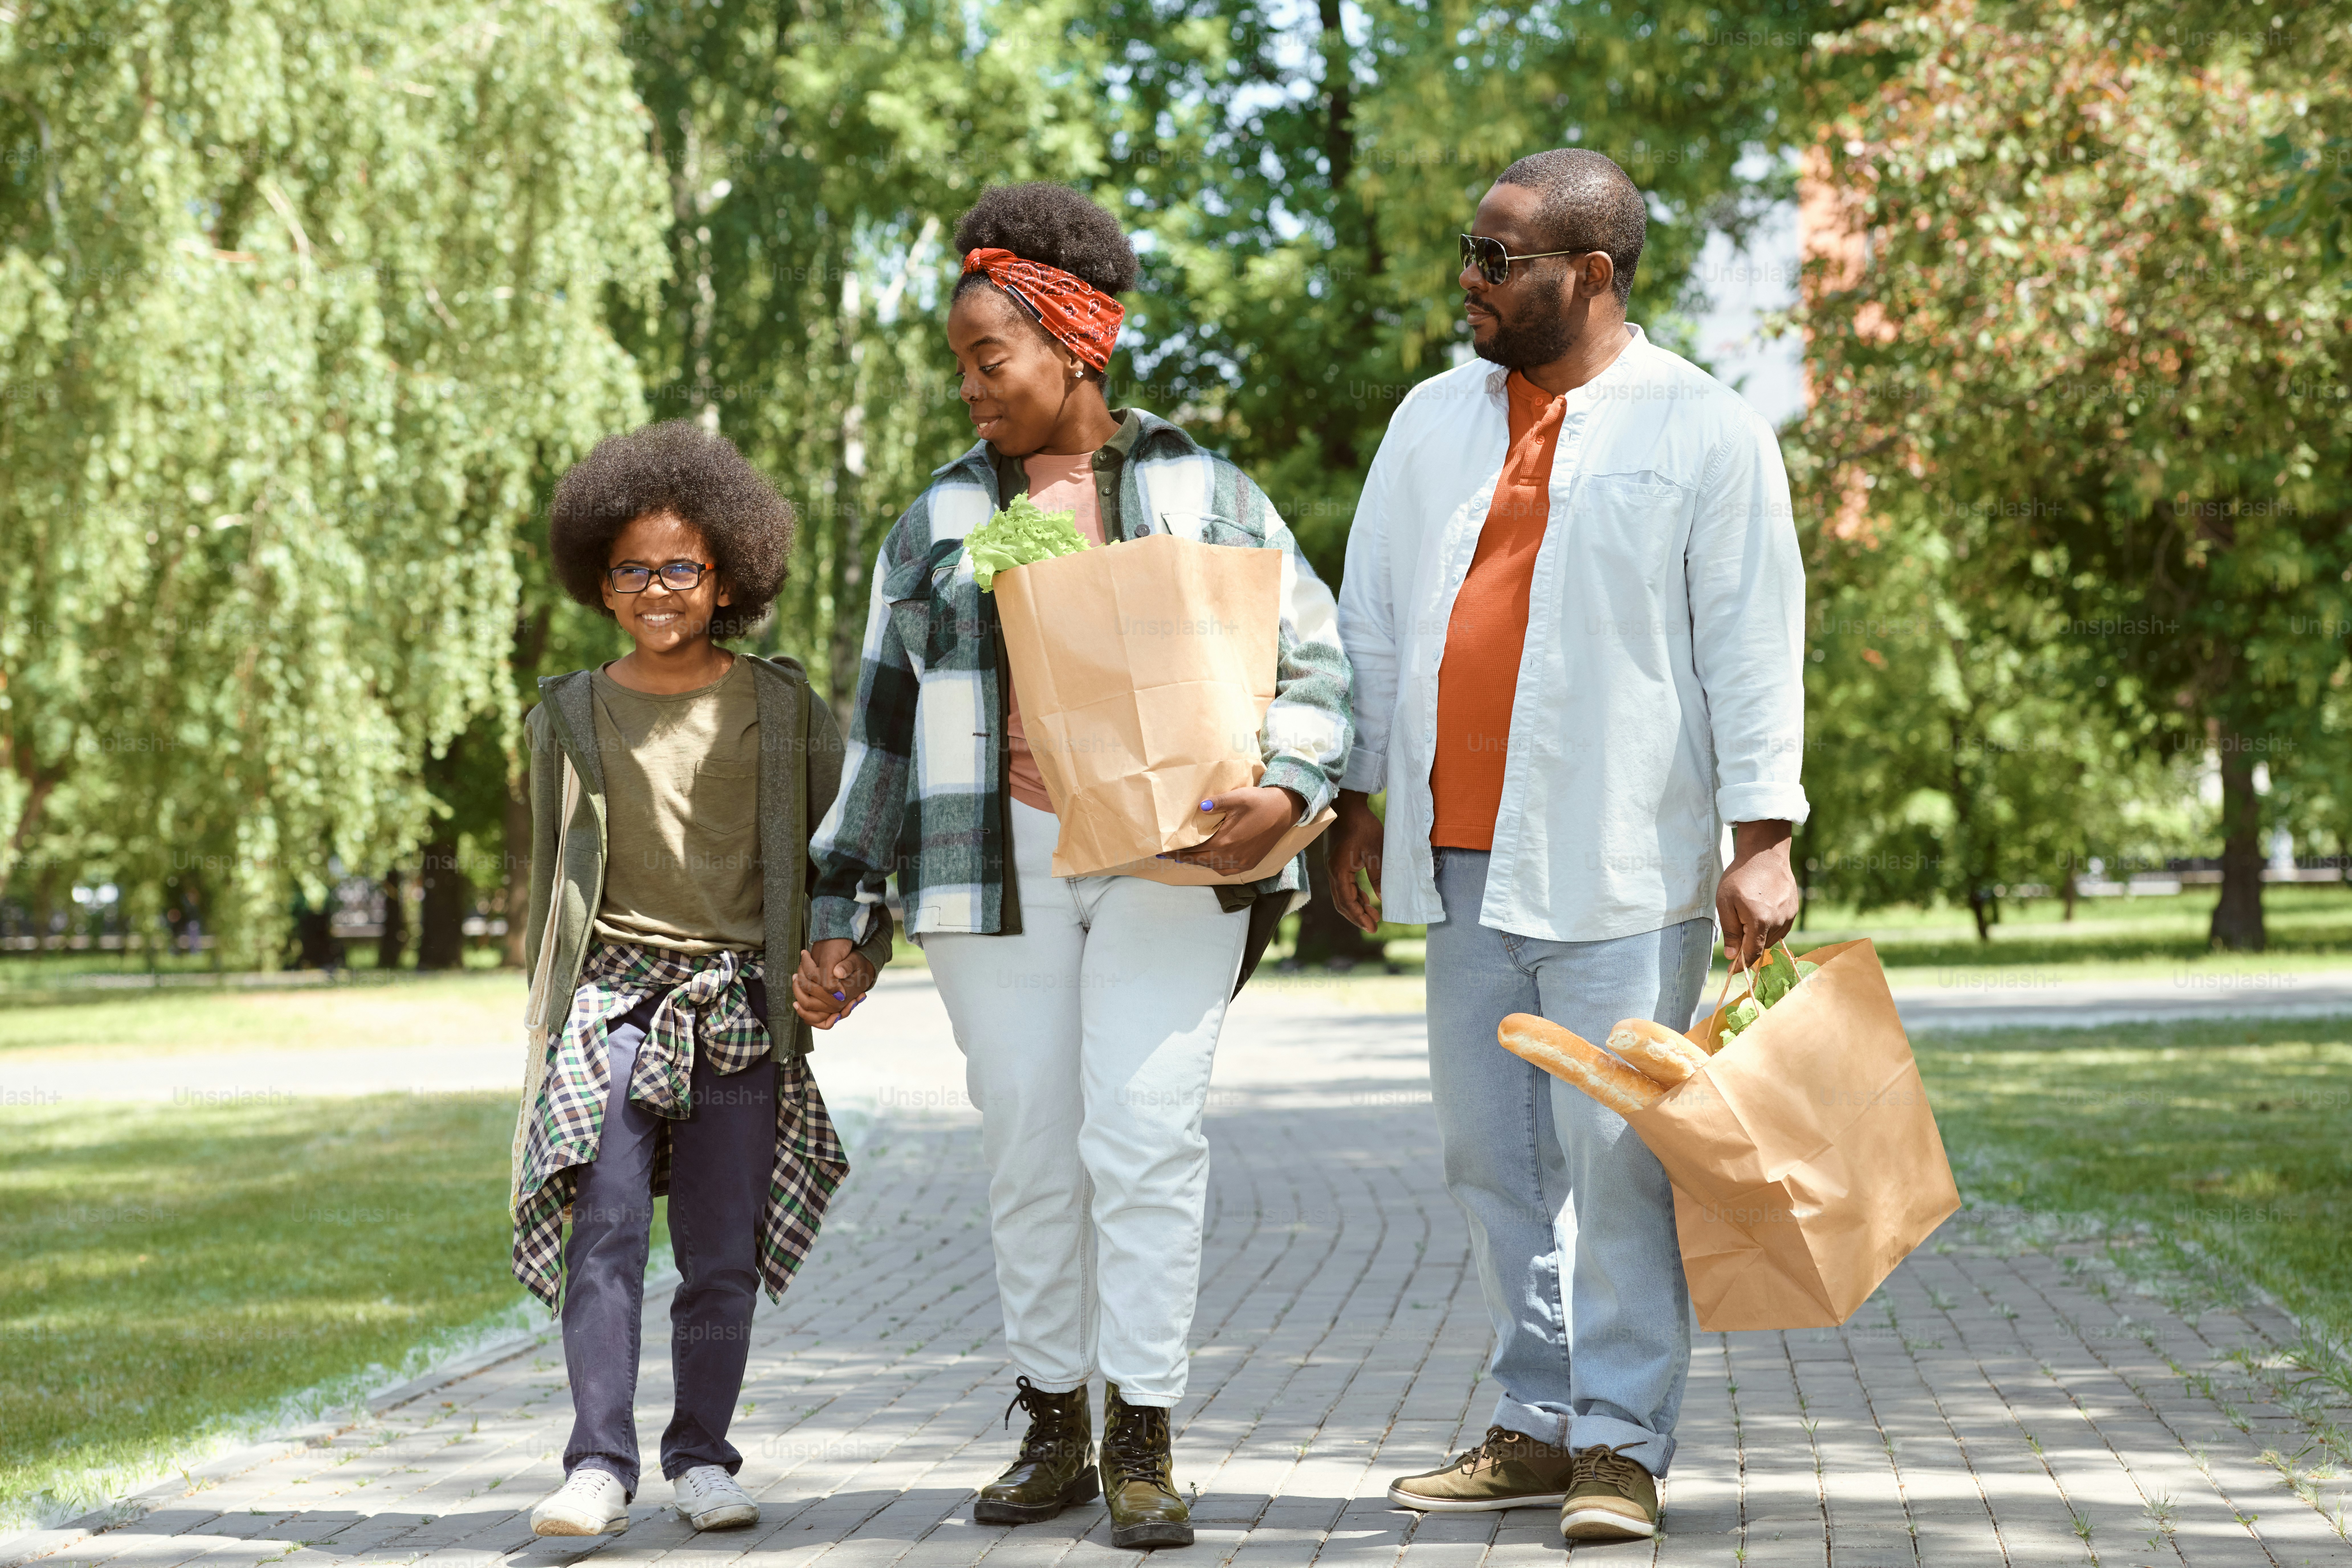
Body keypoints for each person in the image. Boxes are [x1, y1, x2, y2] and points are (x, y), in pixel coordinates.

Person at [803, 182, 1351, 1551]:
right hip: (997, 866)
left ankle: (1145, 1433)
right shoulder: (937, 516)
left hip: (1175, 858)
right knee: (1034, 1144)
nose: (973, 389)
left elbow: (1321, 664)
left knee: (1148, 1133)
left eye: (992, 360)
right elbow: (881, 716)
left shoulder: (1213, 492)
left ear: (1073, 341)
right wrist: (844, 910)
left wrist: (1288, 779)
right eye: (961, 367)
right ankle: (1053, 1416)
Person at [1327, 149, 1808, 1544]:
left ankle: (1621, 1442)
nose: (1468, 283)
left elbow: (1755, 650)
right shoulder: (1430, 419)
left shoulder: (1706, 431)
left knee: (1619, 1162)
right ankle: (1534, 1421)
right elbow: (1369, 617)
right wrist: (1358, 797)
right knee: (1493, 1159)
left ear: (1589, 275)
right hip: (1459, 860)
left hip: (1625, 860)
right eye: (1468, 254)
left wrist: (1762, 836)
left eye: (1497, 260)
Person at [512, 421, 893, 1538]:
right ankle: (597, 1463)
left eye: (682, 565)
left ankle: (703, 1455)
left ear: (728, 574)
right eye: (632, 567)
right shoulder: (568, 712)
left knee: (720, 1247)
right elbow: (548, 889)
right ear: (602, 580)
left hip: (736, 1007)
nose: (657, 587)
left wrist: (854, 952)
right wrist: (539, 1031)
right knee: (608, 1226)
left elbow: (853, 849)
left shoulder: (780, 707)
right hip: (611, 1005)